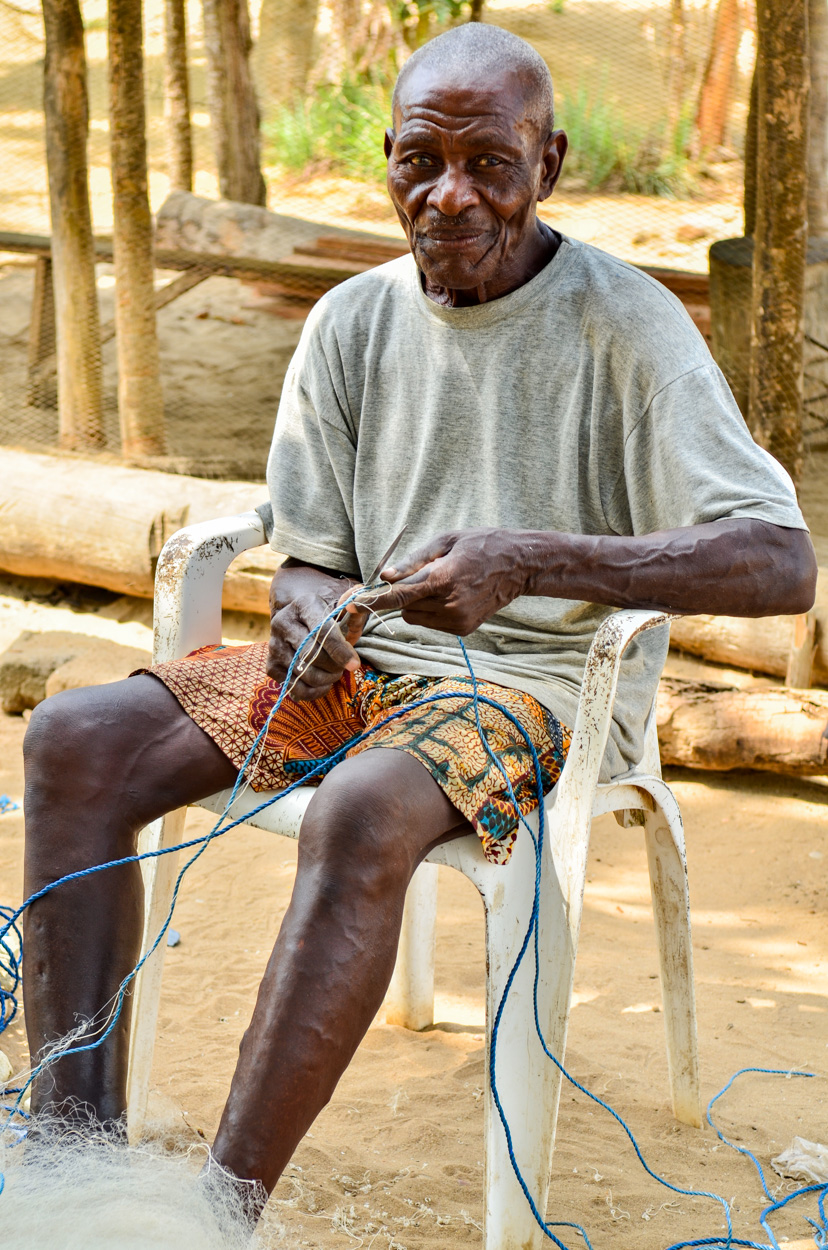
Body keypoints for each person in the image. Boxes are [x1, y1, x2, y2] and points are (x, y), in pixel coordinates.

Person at [22, 21, 815, 1219]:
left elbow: (781, 559)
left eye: (490, 163)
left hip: (540, 685)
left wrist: (536, 557)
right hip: (365, 671)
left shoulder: (631, 323)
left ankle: (213, 1211)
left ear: (546, 166)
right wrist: (311, 610)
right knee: (74, 740)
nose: (449, 196)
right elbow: (308, 560)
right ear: (386, 155)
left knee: (358, 805)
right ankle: (70, 1163)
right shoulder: (350, 321)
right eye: (419, 162)